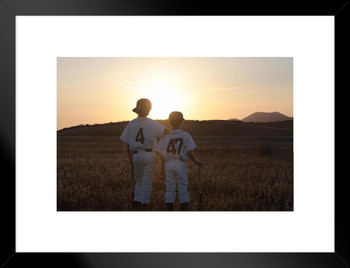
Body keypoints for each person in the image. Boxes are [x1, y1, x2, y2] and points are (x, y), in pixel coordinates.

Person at [120, 98, 169, 210]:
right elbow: (165, 131)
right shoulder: (150, 122)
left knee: (139, 181)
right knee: (147, 182)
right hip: (149, 154)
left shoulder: (131, 124)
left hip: (136, 155)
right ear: (148, 110)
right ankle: (145, 205)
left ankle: (137, 202)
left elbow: (127, 143)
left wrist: (130, 159)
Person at [156, 111, 202, 211]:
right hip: (180, 163)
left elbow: (161, 155)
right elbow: (189, 152)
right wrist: (196, 161)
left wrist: (162, 170)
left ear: (169, 121)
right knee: (183, 189)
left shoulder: (165, 136)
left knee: (169, 189)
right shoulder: (185, 135)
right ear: (181, 122)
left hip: (168, 164)